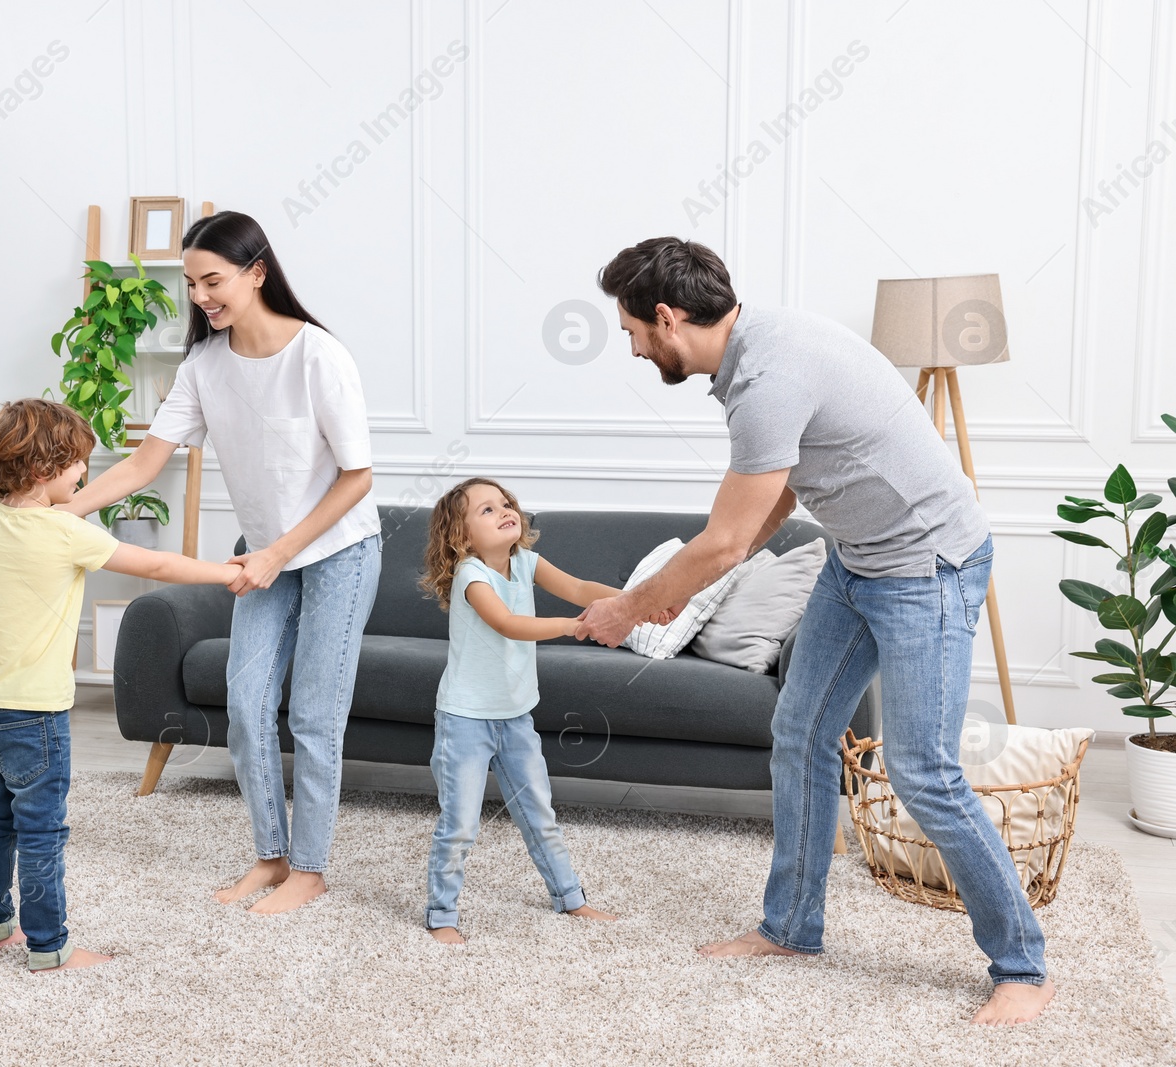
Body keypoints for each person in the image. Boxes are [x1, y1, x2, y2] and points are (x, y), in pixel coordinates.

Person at [574, 237, 1052, 1026]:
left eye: (631, 329)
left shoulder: (768, 376)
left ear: (666, 316)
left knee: (924, 771)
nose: (630, 345)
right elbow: (777, 506)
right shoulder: (757, 351)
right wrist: (687, 591)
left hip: (927, 564)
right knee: (799, 731)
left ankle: (1023, 963)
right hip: (856, 560)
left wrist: (630, 608)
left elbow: (725, 538)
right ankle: (792, 927)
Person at [64, 211, 382, 915]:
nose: (202, 296)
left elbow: (356, 477)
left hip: (339, 551)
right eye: (191, 284)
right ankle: (270, 856)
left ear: (257, 273)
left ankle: (311, 867)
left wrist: (277, 551)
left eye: (214, 280)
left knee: (315, 715)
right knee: (243, 705)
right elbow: (146, 463)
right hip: (265, 558)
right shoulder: (204, 367)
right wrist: (63, 514)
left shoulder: (319, 356)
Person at [0, 397, 242, 972]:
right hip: (35, 713)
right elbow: (159, 567)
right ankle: (49, 947)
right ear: (44, 470)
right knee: (42, 828)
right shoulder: (66, 533)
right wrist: (227, 572)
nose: (84, 477)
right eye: (77, 466)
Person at [417, 477, 618, 943]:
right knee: (461, 825)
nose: (504, 510)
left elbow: (580, 586)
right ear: (461, 537)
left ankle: (570, 898)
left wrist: (636, 604)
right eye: (486, 510)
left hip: (516, 718)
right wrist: (573, 627)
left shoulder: (526, 562)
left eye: (505, 503)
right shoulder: (472, 574)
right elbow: (508, 624)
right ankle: (442, 915)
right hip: (465, 720)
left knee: (538, 812)